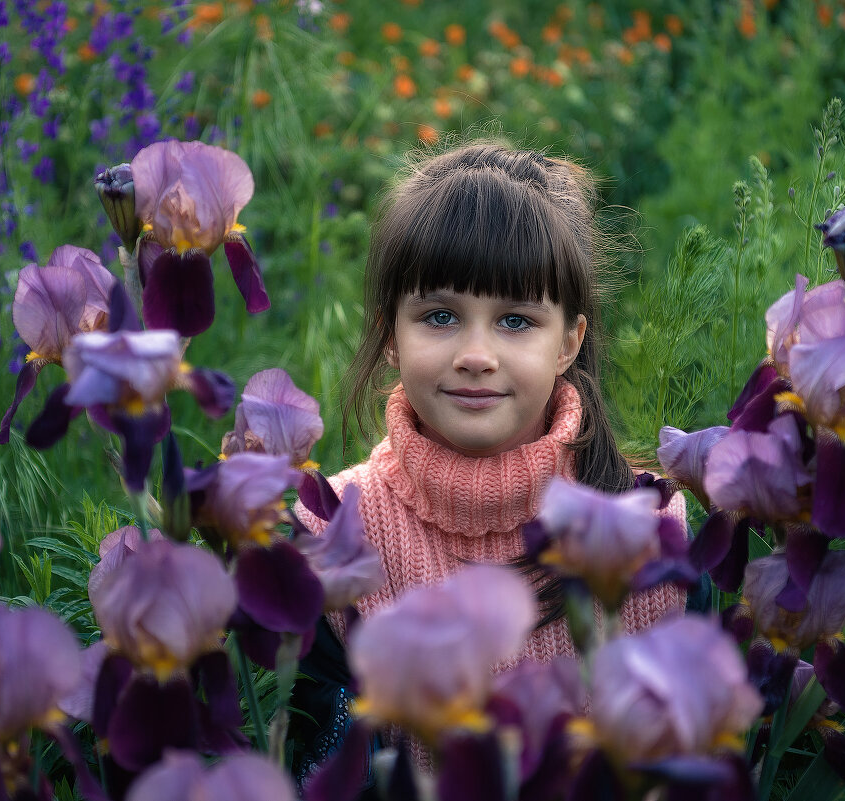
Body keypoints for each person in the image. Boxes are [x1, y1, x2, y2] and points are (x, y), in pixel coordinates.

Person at [289, 141, 687, 784]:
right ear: (391, 333)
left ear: (569, 341)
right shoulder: (329, 531)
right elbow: (323, 776)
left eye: (516, 321)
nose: (477, 354)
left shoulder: (649, 528)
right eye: (440, 316)